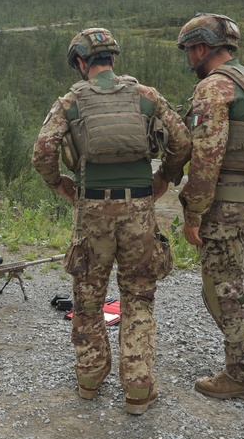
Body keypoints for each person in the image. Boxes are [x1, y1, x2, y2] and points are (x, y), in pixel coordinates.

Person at [32, 28, 191, 415]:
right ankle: (138, 391)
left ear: (81, 63)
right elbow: (182, 142)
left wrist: (61, 186)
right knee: (138, 297)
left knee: (87, 299)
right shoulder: (145, 96)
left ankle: (89, 380)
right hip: (138, 210)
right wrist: (164, 177)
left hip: (92, 214)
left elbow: (42, 152)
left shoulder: (70, 102)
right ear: (113, 60)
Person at [176, 13, 244, 401]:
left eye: (188, 50)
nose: (188, 58)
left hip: (228, 205)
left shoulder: (214, 88)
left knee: (224, 290)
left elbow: (206, 158)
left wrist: (193, 213)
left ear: (202, 48)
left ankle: (242, 375)